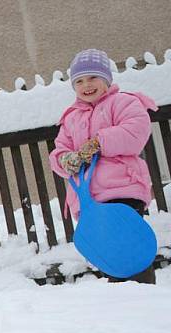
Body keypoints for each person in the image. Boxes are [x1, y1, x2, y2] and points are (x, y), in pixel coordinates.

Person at [49, 48, 158, 284]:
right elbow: (59, 150)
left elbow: (136, 131)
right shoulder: (71, 117)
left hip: (122, 190)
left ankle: (142, 290)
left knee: (129, 245)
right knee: (109, 252)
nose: (86, 85)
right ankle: (120, 292)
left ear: (107, 79)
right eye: (79, 81)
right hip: (90, 198)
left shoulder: (123, 102)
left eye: (92, 78)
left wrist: (100, 142)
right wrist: (65, 159)